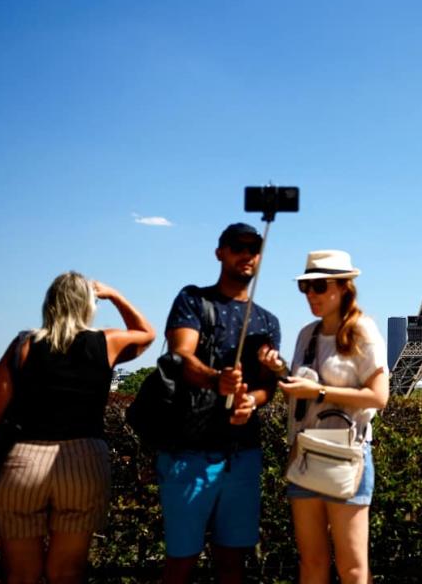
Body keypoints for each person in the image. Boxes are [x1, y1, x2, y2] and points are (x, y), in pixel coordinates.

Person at [0, 272, 155, 584]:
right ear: (87, 305)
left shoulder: (23, 345)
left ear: (49, 304)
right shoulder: (106, 342)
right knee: (66, 573)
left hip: (24, 459)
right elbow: (146, 333)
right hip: (83, 458)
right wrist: (114, 294)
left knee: (20, 575)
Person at [158, 223, 281, 584]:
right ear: (220, 252)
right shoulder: (194, 300)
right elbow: (180, 357)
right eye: (238, 247)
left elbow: (266, 388)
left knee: (233, 562)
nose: (247, 254)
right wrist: (217, 379)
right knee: (181, 561)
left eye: (254, 248)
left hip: (241, 454)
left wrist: (250, 403)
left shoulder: (267, 321)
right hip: (190, 452)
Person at [258, 250, 388, 584]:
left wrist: (318, 393)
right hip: (307, 453)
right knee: (311, 562)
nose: (311, 295)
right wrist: (279, 372)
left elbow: (379, 397)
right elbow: (301, 392)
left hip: (347, 455)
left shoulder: (363, 332)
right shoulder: (307, 335)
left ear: (344, 286)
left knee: (352, 567)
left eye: (319, 286)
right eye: (306, 288)